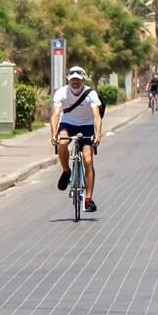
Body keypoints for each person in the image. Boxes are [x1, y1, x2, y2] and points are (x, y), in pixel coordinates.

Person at [50, 66, 104, 213]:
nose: (75, 82)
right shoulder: (61, 93)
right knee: (62, 143)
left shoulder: (91, 94)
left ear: (83, 80)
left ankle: (88, 199)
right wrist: (53, 133)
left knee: (88, 160)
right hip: (67, 123)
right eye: (73, 79)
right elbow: (55, 115)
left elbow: (97, 115)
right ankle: (66, 171)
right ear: (68, 80)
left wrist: (98, 134)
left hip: (86, 125)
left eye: (78, 80)